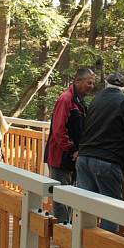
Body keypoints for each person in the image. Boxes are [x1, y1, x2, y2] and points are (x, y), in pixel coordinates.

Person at [76, 72, 124, 231]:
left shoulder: (95, 100)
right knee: (111, 209)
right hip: (107, 160)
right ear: (123, 87)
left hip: (84, 157)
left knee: (84, 206)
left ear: (106, 83)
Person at [44, 67, 96, 223]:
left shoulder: (79, 102)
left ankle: (67, 229)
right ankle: (61, 231)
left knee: (71, 194)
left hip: (73, 157)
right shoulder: (66, 99)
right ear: (77, 81)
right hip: (61, 156)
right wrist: (72, 149)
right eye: (89, 83)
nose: (91, 86)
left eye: (93, 83)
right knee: (60, 196)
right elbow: (58, 130)